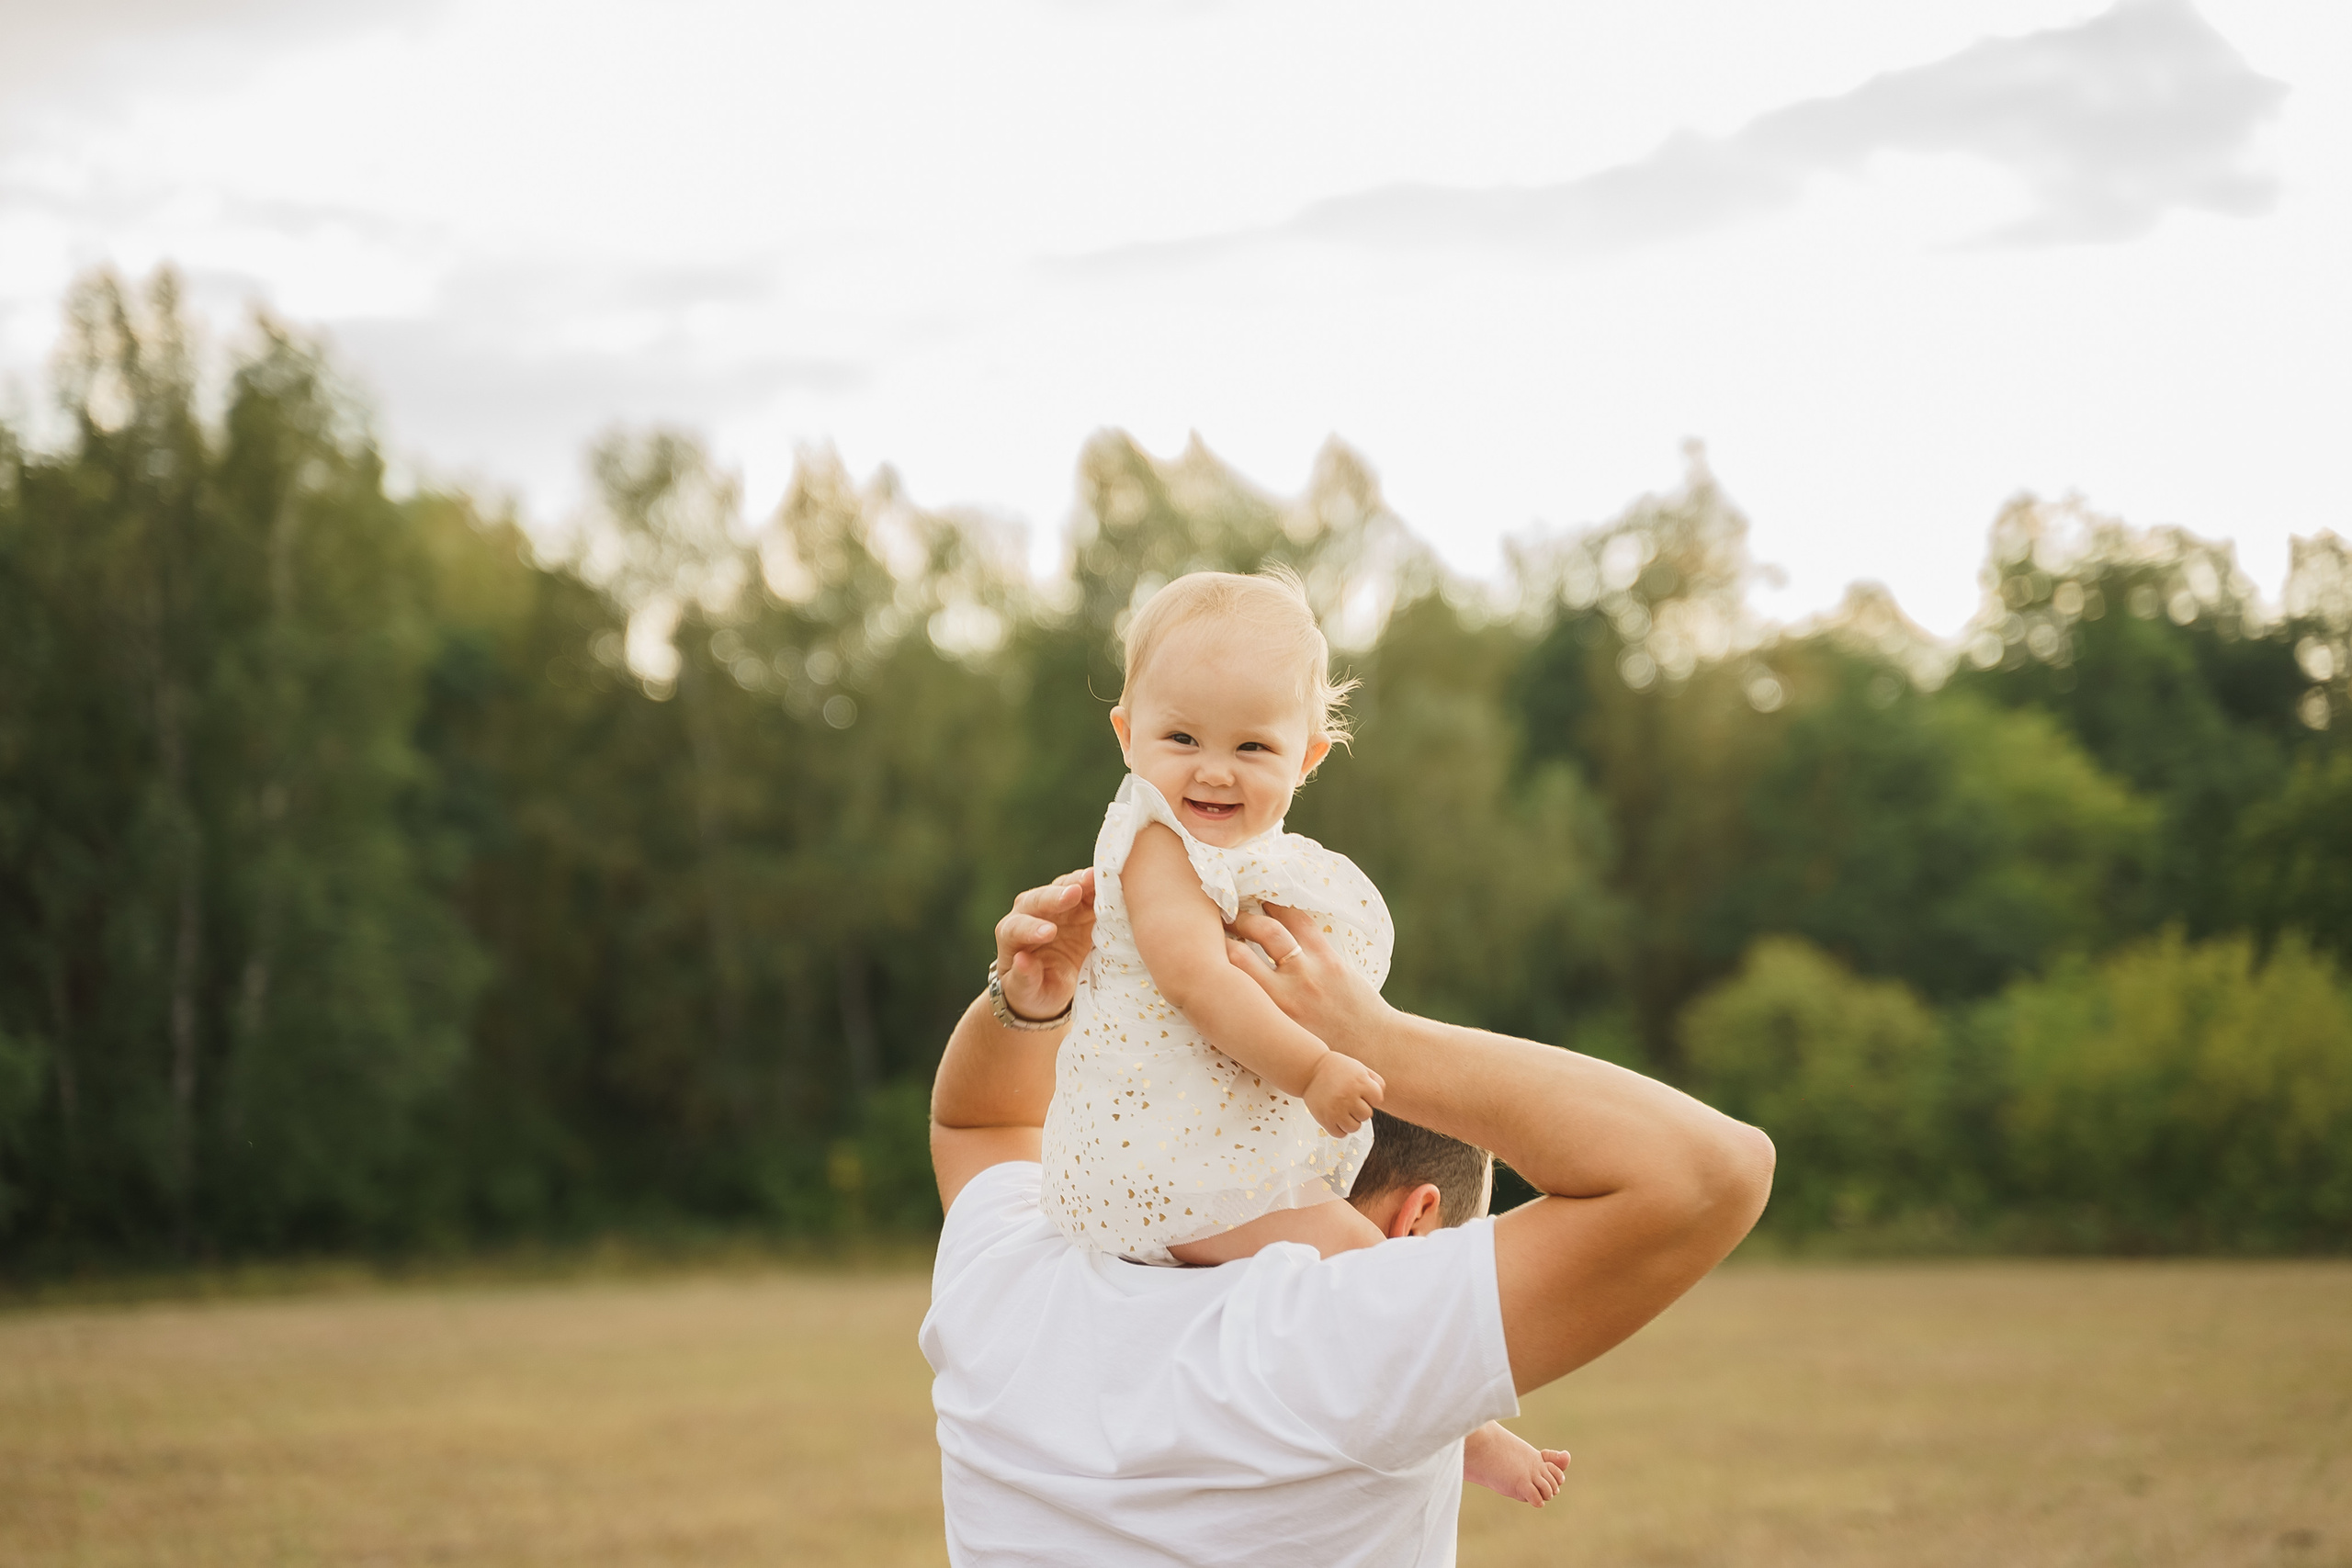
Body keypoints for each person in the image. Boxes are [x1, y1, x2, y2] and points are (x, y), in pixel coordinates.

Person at [924, 866, 1776, 1566]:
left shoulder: (1011, 1269)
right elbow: (1712, 1171)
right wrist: (1372, 1042)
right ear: (1418, 1219)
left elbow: (981, 1121)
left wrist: (1030, 997)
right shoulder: (1341, 1333)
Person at [1034, 566, 1562, 1504]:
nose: (1211, 769)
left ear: (1307, 757)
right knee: (1364, 1270)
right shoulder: (1154, 843)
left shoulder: (1240, 860)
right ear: (1127, 733)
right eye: (1181, 736)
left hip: (1205, 1151)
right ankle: (1468, 1432)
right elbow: (1198, 984)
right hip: (1174, 1163)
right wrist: (1314, 1066)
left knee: (1324, 1281)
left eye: (1251, 745)